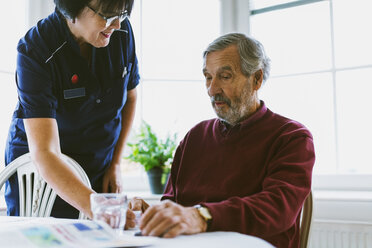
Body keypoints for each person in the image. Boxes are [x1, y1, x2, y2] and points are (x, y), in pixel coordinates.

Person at [126, 33, 315, 248]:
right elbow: (175, 207)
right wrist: (150, 216)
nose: (212, 89)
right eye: (208, 77)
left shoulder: (291, 137)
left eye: (225, 77)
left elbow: (277, 209)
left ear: (257, 79)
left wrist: (202, 216)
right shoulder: (193, 138)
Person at [4, 0, 139, 219]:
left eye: (122, 14)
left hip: (97, 164)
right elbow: (46, 153)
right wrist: (99, 210)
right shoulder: (36, 49)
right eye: (107, 15)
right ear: (72, 7)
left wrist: (115, 163)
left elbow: (130, 98)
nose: (116, 24)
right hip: (43, 174)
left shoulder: (121, 32)